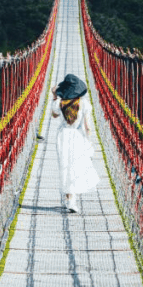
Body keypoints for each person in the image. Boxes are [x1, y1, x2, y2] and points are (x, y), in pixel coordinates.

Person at [50, 73, 99, 213]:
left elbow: (54, 115)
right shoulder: (84, 104)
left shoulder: (59, 102)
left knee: (65, 166)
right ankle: (73, 200)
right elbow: (87, 127)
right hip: (77, 136)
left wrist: (55, 96)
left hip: (63, 135)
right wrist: (89, 142)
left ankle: (69, 199)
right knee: (75, 166)